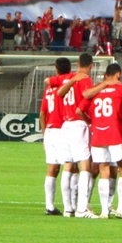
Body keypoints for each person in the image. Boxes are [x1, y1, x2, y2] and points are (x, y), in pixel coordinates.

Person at [78, 62, 122, 219]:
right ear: (118, 74)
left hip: (98, 135)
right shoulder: (121, 88)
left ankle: (104, 211)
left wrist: (91, 122)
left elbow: (79, 110)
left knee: (103, 169)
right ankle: (121, 208)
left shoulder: (96, 89)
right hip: (116, 134)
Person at [48, 53, 95, 218]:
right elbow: (83, 105)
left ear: (77, 64)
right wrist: (90, 122)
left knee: (68, 166)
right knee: (85, 166)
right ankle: (82, 208)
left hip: (65, 125)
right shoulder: (86, 80)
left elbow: (59, 93)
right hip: (78, 124)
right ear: (91, 66)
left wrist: (73, 80)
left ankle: (68, 209)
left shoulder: (69, 78)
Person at [39, 58, 70, 215]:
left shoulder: (48, 89)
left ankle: (49, 206)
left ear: (57, 70)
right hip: (62, 130)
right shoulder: (67, 87)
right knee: (69, 167)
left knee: (52, 168)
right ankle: (69, 207)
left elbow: (42, 114)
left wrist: (44, 135)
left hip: (50, 132)